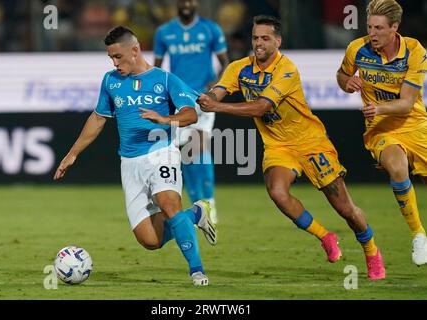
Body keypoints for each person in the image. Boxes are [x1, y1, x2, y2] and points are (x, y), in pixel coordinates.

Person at [198, 15, 386, 280]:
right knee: (277, 191)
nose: (259, 43)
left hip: (310, 141)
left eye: (265, 38)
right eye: (255, 38)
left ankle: (371, 250)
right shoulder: (239, 68)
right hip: (277, 144)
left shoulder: (287, 69)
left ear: (278, 41)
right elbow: (216, 93)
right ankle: (325, 236)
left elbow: (262, 106)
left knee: (345, 209)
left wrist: (217, 106)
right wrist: (206, 98)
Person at [53, 26, 217, 286]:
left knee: (169, 204)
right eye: (111, 58)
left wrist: (165, 118)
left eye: (118, 57)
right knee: (150, 241)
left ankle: (197, 271)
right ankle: (196, 215)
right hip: (129, 163)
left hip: (161, 153)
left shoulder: (165, 80)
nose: (114, 63)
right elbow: (98, 118)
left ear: (135, 50)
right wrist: (72, 154)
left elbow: (191, 114)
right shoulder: (110, 81)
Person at [337, 0, 427, 265]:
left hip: (415, 124)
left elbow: (407, 103)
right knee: (396, 166)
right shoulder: (357, 48)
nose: (372, 33)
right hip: (380, 128)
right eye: (369, 26)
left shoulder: (414, 50)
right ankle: (418, 234)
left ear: (394, 27)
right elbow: (341, 75)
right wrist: (348, 82)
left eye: (378, 28)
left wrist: (379, 107)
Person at [153, 0, 229, 225]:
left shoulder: (210, 29)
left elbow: (226, 63)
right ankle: (199, 207)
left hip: (203, 99)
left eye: (191, 0)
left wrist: (213, 88)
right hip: (179, 100)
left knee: (200, 149)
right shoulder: (164, 32)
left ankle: (210, 203)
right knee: (185, 157)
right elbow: (157, 68)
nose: (186, 4)